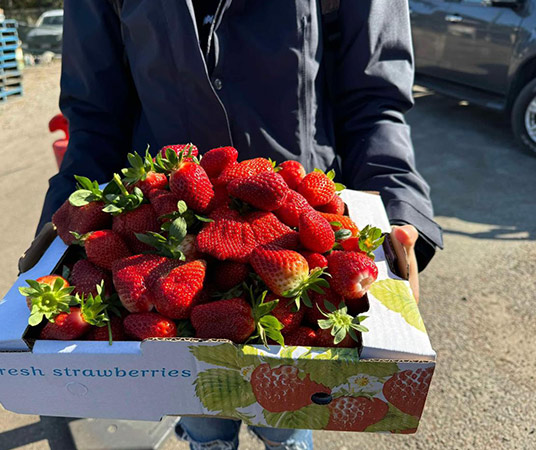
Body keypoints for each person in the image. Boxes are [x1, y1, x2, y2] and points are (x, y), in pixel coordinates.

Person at [37, 1, 443, 449]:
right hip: (163, 236)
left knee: (287, 413)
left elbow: (375, 98)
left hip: (296, 231)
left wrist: (395, 207)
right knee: (199, 406)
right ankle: (204, 436)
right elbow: (94, 112)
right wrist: (63, 226)